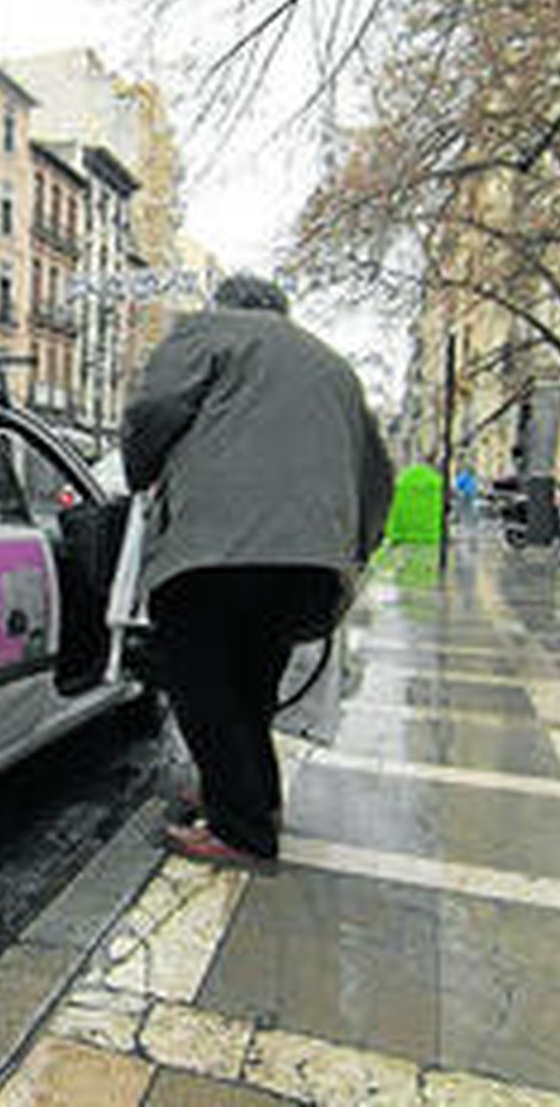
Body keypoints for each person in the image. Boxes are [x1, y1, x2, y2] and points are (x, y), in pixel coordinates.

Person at [124, 274, 393, 870]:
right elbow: (378, 473)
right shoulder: (335, 367)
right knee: (250, 687)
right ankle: (253, 801)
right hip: (310, 564)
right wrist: (353, 550)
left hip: (214, 550)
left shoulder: (206, 331)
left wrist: (139, 469)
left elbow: (155, 408)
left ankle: (241, 833)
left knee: (201, 684)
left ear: (225, 306)